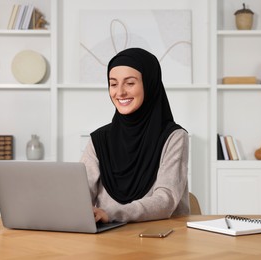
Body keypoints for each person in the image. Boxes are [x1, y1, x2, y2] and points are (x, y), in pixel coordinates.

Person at [80, 47, 189, 223]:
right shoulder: (99, 140)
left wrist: (112, 214)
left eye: (130, 83)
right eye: (113, 84)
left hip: (162, 238)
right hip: (108, 240)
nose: (120, 92)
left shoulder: (174, 137)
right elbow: (79, 194)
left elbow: (165, 200)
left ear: (149, 83)